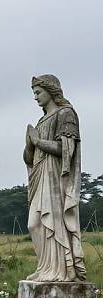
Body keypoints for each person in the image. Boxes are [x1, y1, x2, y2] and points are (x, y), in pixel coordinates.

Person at [24, 74, 86, 281]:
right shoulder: (41, 120)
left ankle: (61, 269)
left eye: (38, 92)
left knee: (52, 222)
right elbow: (30, 157)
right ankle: (45, 267)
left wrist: (38, 141)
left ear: (51, 91)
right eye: (34, 93)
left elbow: (65, 149)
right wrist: (29, 144)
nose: (35, 97)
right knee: (34, 224)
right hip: (40, 173)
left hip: (56, 176)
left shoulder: (66, 113)